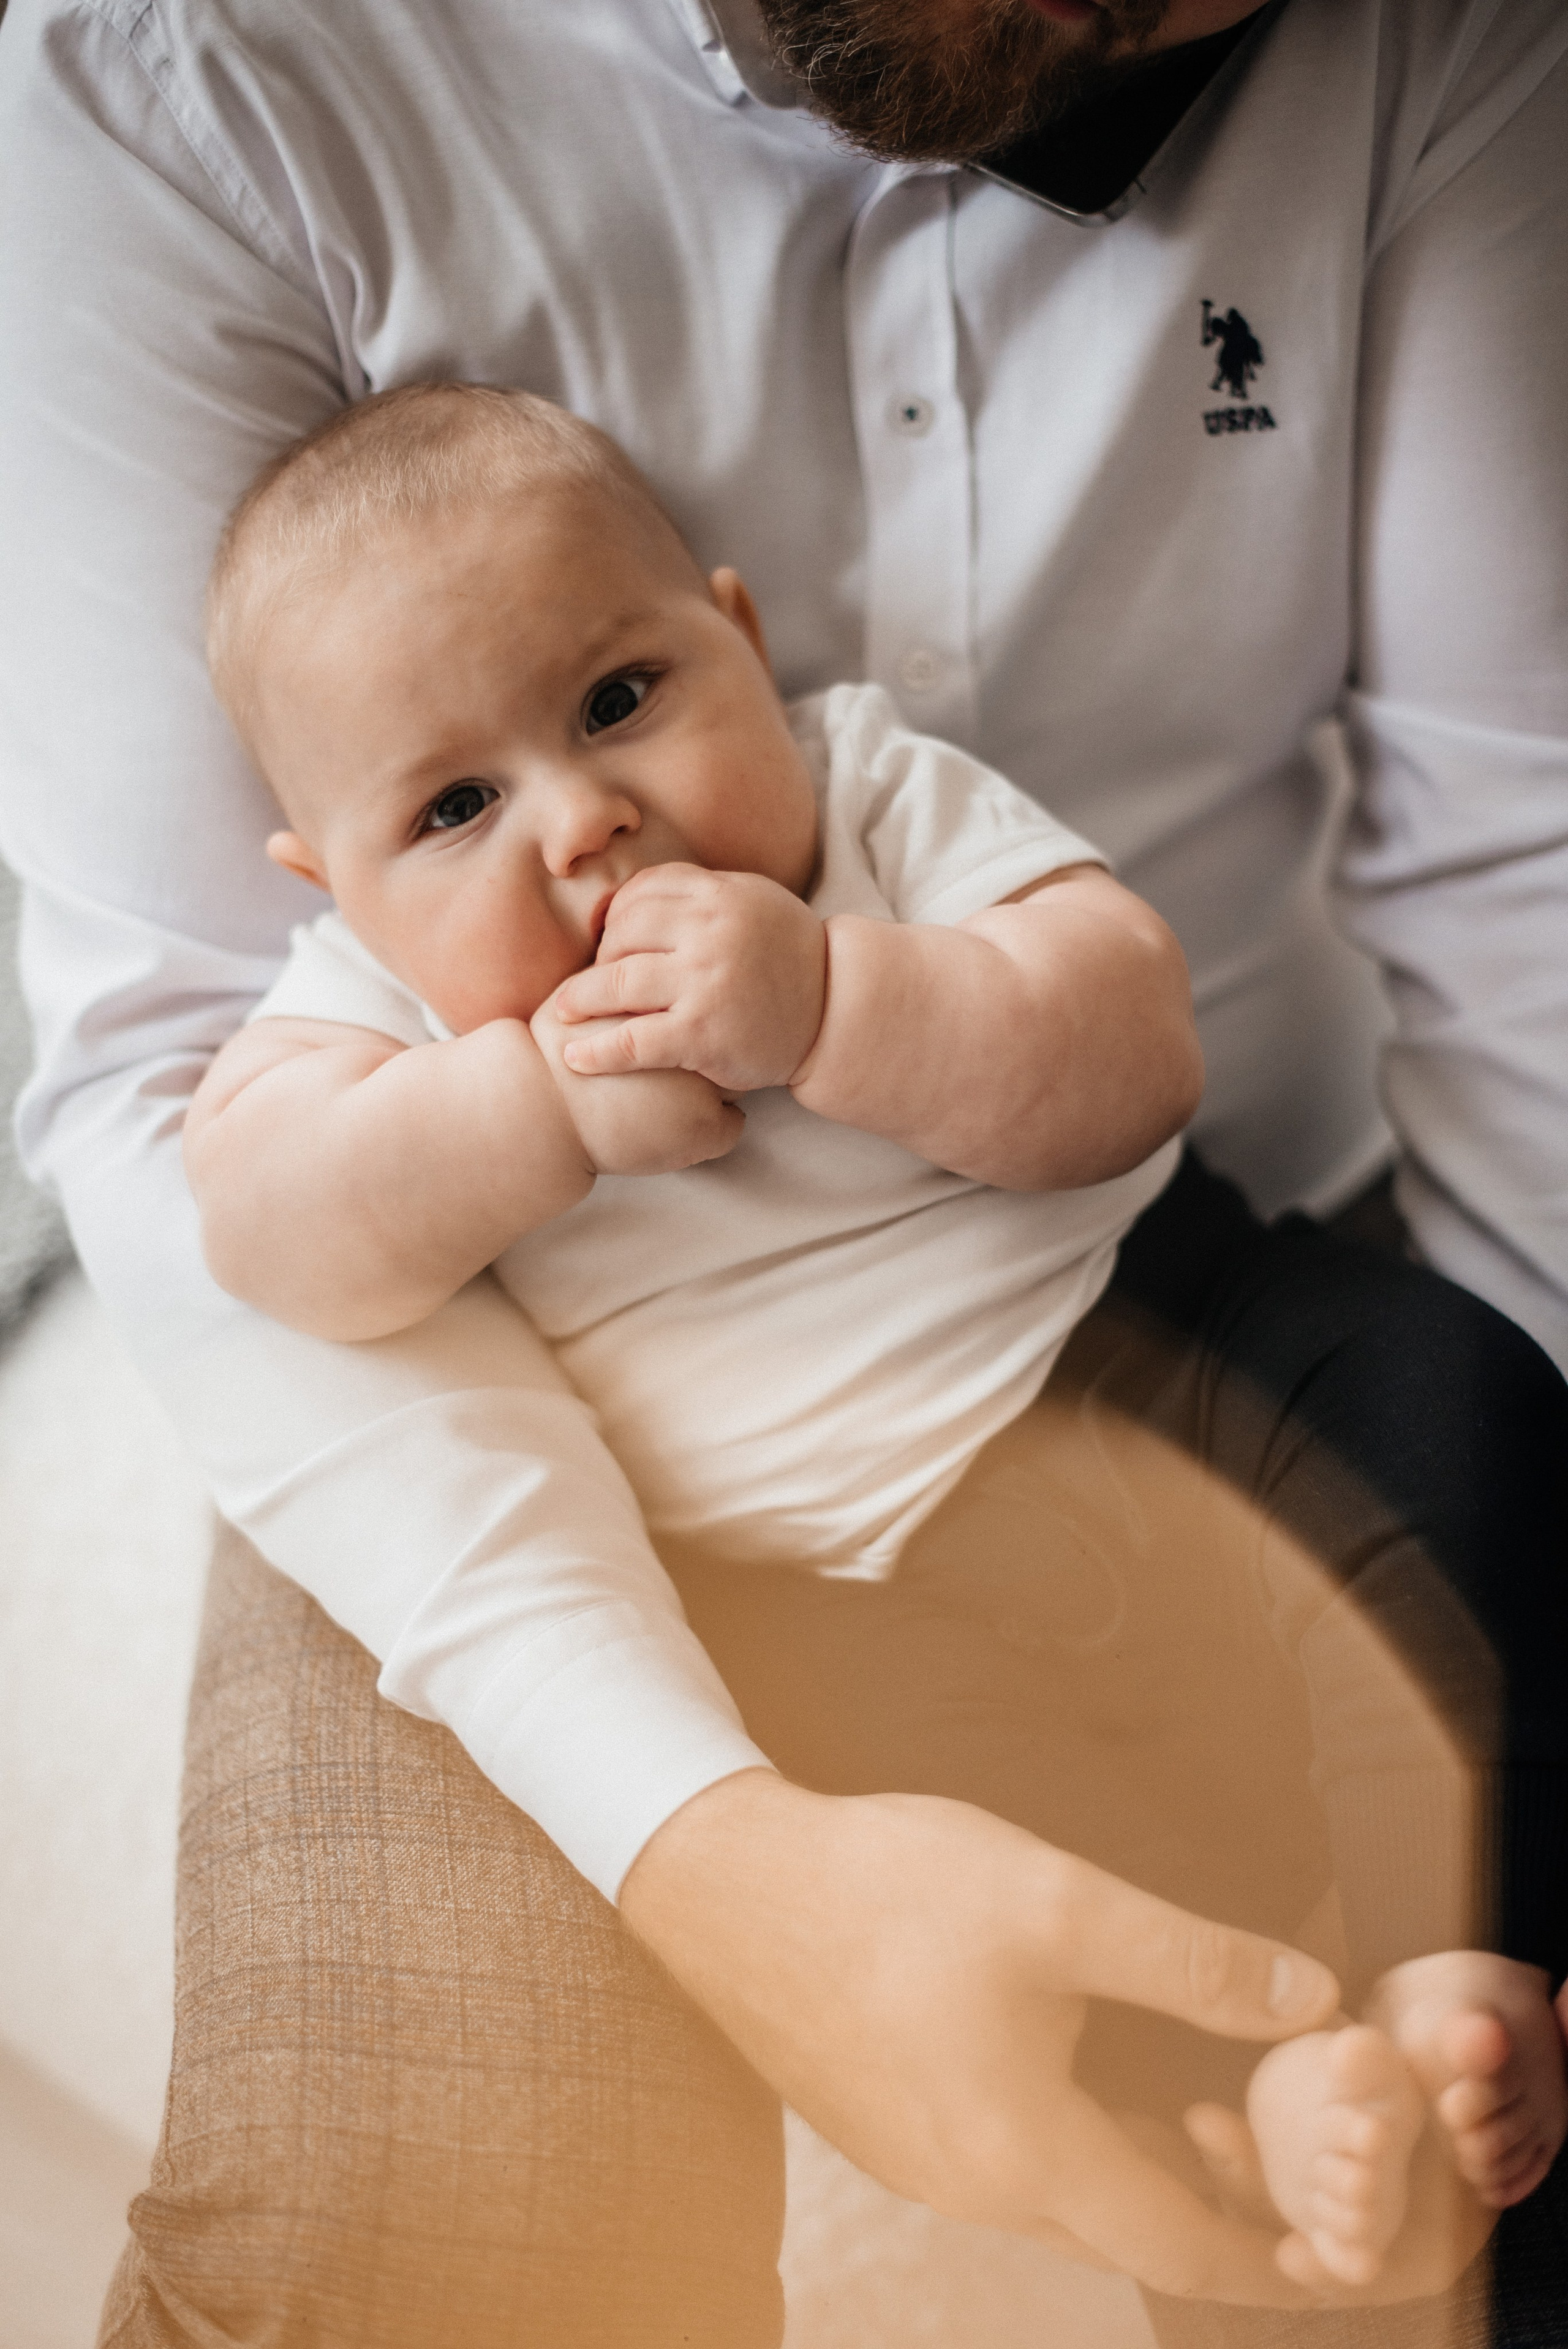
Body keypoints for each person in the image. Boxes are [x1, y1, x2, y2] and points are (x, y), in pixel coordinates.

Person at [0, 0, 1564, 2341]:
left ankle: (1455, 1978)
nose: (580, 816)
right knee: (948, 1940)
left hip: (1138, 1324)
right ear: (321, 868)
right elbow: (253, 1225)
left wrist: (838, 1001)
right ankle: (1267, 2115)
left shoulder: (865, 798)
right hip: (741, 1551)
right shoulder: (363, 1012)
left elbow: (1128, 1038)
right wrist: (515, 1111)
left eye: (622, 700)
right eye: (454, 811)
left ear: (734, 640)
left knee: (1461, 1414)